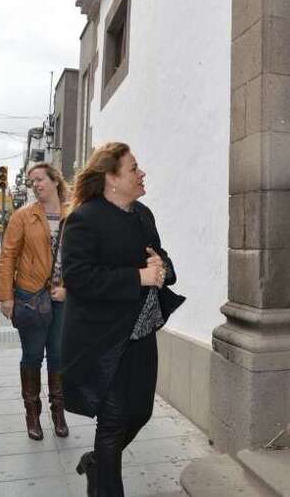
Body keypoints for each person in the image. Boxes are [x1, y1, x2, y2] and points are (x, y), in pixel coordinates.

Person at [61, 142, 184, 496]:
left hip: (141, 332)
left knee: (140, 412)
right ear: (111, 178)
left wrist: (162, 268)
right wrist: (137, 277)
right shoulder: (84, 219)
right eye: (133, 168)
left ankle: (96, 463)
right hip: (102, 339)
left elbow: (160, 259)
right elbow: (77, 278)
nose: (141, 173)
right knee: (113, 422)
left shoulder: (143, 214)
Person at [0, 163, 70, 440]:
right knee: (32, 355)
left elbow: (82, 257)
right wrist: (6, 297)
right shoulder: (23, 216)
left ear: (55, 180)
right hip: (30, 296)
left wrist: (69, 288)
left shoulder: (73, 215)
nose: (36, 185)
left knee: (58, 355)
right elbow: (8, 256)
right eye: (32, 182)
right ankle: (32, 414)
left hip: (62, 298)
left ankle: (59, 413)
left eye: (40, 179)